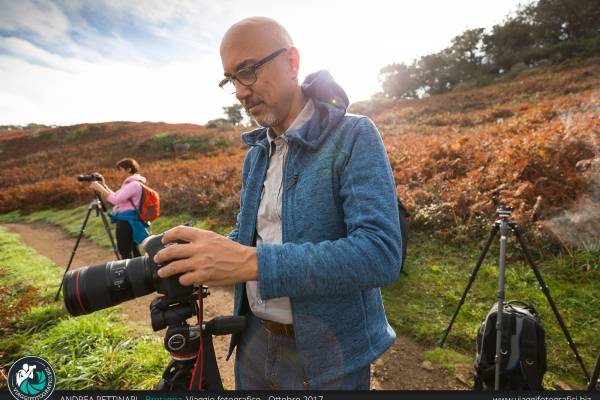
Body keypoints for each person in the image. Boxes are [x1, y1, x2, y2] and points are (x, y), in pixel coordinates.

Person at [153, 17, 402, 390]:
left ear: (292, 61)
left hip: (328, 357)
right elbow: (253, 234)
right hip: (251, 342)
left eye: (248, 71)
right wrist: (203, 253)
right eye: (230, 79)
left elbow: (380, 255)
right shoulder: (256, 154)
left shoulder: (353, 135)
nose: (239, 91)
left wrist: (250, 262)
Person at [90, 158, 150, 259]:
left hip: (127, 220)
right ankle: (138, 272)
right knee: (132, 248)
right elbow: (116, 196)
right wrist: (104, 185)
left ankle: (129, 273)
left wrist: (99, 189)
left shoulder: (134, 185)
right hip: (129, 219)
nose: (118, 173)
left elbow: (115, 200)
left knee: (124, 250)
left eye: (120, 170)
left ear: (129, 169)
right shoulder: (131, 184)